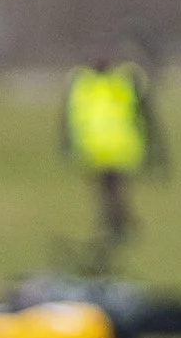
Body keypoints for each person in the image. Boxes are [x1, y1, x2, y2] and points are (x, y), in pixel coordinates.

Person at [59, 52, 162, 255]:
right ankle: (117, 226)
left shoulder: (105, 85)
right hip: (100, 150)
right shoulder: (92, 86)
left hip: (113, 149)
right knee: (108, 194)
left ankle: (116, 226)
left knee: (111, 193)